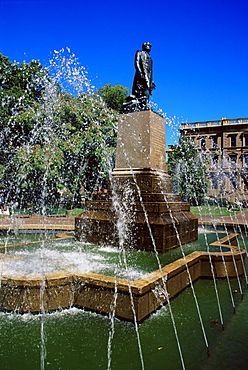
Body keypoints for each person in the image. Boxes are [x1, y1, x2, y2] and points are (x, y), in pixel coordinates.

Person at [122, 42, 156, 112]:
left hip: (148, 77)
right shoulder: (140, 53)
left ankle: (145, 104)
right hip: (141, 75)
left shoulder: (150, 58)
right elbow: (137, 62)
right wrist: (140, 72)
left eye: (150, 46)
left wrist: (151, 81)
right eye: (147, 45)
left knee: (147, 89)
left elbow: (150, 70)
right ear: (143, 46)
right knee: (140, 90)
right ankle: (140, 103)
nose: (149, 47)